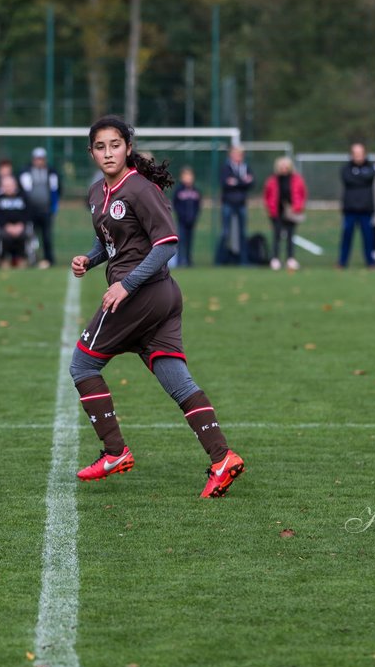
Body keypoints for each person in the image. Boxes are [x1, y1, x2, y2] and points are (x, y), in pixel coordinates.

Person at [69, 115, 244, 498]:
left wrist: (125, 286)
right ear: (92, 152)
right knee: (176, 380)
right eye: (101, 146)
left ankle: (115, 452)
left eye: (115, 144)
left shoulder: (141, 189)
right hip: (157, 298)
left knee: (82, 364)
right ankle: (222, 458)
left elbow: (167, 244)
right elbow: (112, 241)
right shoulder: (98, 192)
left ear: (128, 148)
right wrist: (90, 259)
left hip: (143, 294)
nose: (108, 152)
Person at [263, 155, 306, 271]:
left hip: (292, 212)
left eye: (286, 166)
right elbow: (267, 195)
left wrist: (297, 207)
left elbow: (302, 194)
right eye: (281, 166)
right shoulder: (272, 180)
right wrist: (270, 208)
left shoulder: (297, 179)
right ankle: (275, 259)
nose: (284, 169)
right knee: (276, 236)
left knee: (290, 236)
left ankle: (290, 259)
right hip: (277, 212)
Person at [19, 147, 60, 268]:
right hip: (31, 211)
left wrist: (53, 206)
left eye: (41, 159)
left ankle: (48, 259)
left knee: (46, 236)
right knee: (30, 236)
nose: (39, 161)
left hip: (46, 210)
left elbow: (55, 190)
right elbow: (24, 191)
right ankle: (30, 258)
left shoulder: (51, 172)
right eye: (37, 159)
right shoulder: (26, 172)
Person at [339, 142, 375, 268]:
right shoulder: (346, 169)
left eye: (360, 153)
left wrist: (358, 178)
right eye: (355, 153)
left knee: (368, 238)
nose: (358, 156)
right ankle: (342, 262)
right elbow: (349, 179)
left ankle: (370, 262)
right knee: (346, 237)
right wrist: (361, 178)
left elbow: (369, 177)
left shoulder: (371, 168)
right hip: (350, 209)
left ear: (364, 154)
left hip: (366, 209)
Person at [217, 145, 254, 264]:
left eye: (241, 154)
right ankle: (219, 261)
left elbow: (252, 182)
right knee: (225, 232)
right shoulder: (226, 168)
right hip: (228, 203)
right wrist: (242, 182)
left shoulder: (246, 167)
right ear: (231, 155)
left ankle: (244, 260)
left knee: (242, 233)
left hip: (241, 203)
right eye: (236, 154)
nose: (239, 156)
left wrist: (236, 182)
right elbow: (225, 183)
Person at [0, 173, 32, 268]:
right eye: (6, 186)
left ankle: (20, 259)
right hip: (4, 227)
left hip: (20, 227)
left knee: (23, 236)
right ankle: (4, 260)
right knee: (5, 237)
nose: (8, 188)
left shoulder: (23, 197)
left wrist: (20, 225)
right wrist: (6, 226)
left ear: (15, 185)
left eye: (10, 185)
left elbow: (28, 213)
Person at [171, 166, 202, 267]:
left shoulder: (196, 191)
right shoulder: (179, 190)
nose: (188, 178)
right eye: (186, 176)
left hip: (191, 221)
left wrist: (194, 216)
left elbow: (198, 205)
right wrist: (181, 215)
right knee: (181, 240)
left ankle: (189, 261)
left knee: (189, 241)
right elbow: (175, 204)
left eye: (190, 176)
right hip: (182, 221)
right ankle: (180, 261)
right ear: (181, 177)